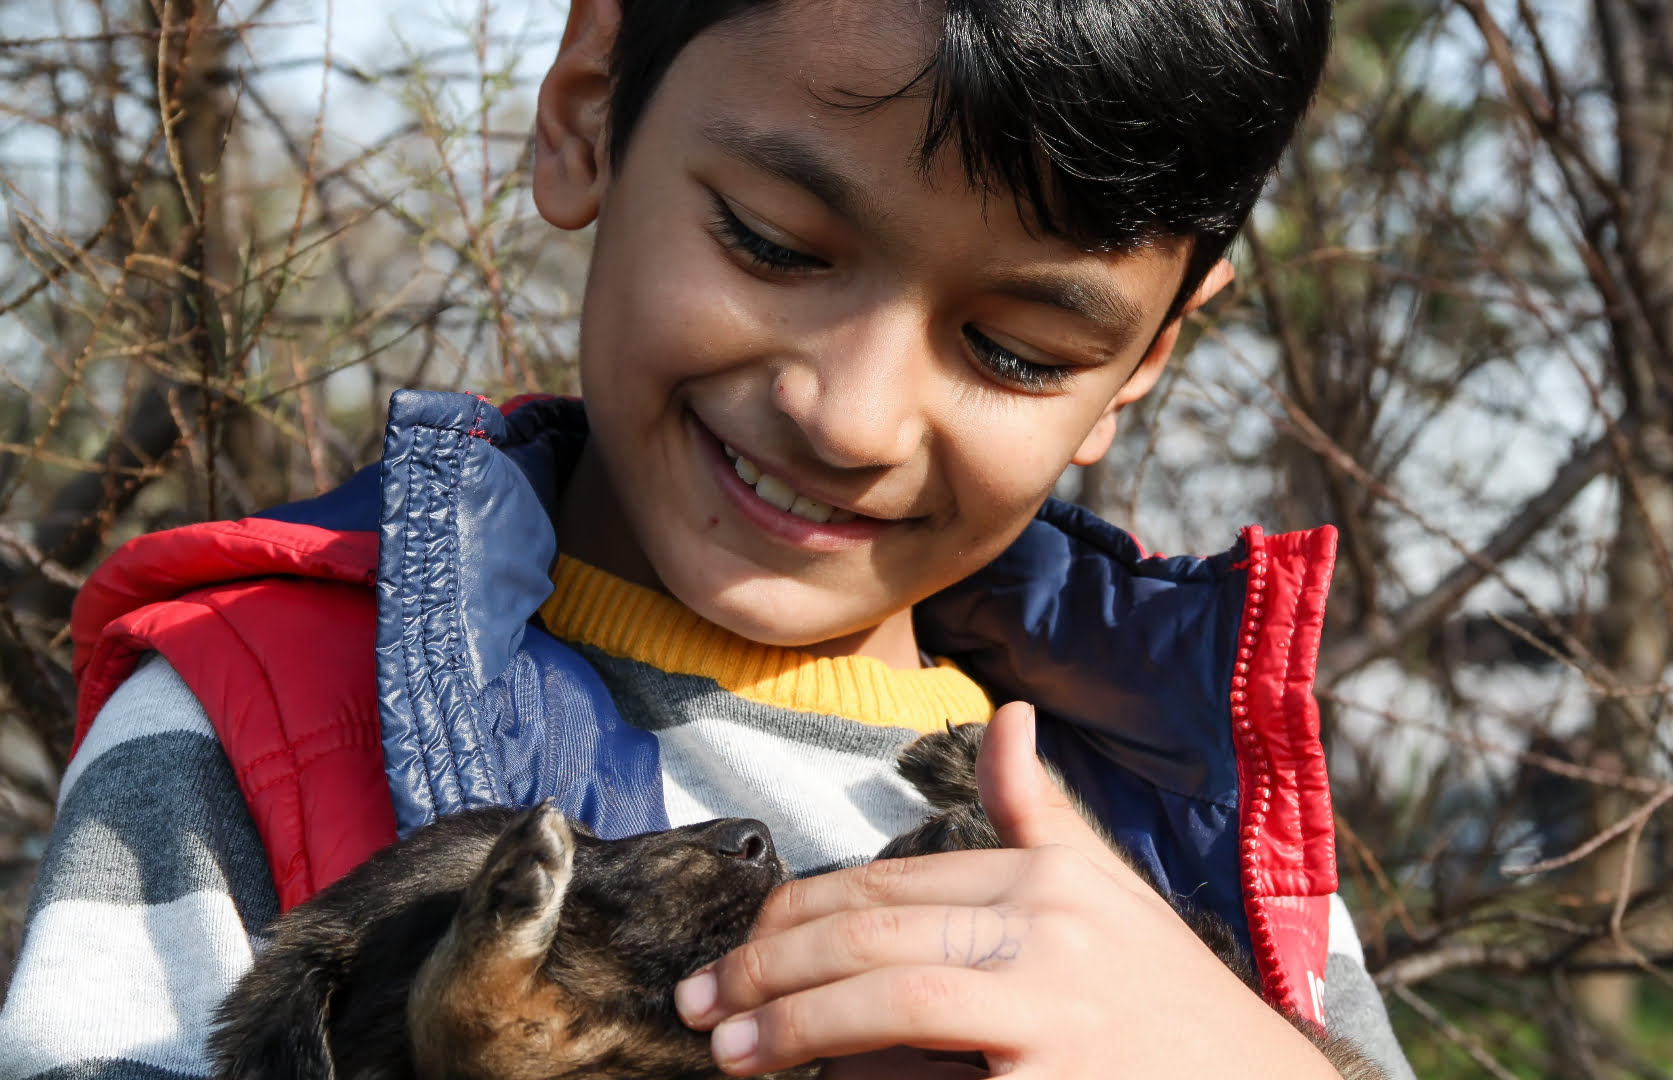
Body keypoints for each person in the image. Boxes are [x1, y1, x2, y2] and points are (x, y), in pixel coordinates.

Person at [0, 1, 1416, 1077]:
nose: (852, 417)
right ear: (590, 103)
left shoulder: (1173, 821)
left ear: (1150, 354)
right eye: (774, 242)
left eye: (1015, 348)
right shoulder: (253, 718)